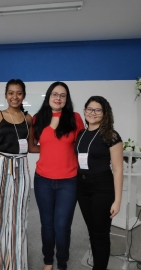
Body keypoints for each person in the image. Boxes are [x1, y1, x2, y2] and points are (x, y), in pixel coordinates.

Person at [0, 79, 38, 270]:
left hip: (21, 167)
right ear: (5, 95)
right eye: (11, 93)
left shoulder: (28, 118)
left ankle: (16, 264)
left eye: (19, 93)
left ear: (24, 95)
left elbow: (31, 147)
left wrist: (58, 146)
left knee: (19, 217)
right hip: (0, 165)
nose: (15, 97)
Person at [32, 81, 85, 270]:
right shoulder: (38, 118)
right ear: (48, 96)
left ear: (67, 99)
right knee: (47, 225)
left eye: (63, 95)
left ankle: (62, 263)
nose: (58, 98)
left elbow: (83, 146)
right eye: (55, 94)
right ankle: (48, 261)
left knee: (62, 227)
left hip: (68, 181)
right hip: (43, 180)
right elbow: (38, 143)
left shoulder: (75, 118)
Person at [75, 96, 123, 270]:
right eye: (89, 109)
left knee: (100, 233)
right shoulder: (81, 134)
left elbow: (118, 170)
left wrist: (117, 201)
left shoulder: (111, 135)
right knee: (92, 231)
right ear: (84, 110)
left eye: (97, 110)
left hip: (102, 188)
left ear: (104, 113)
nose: (92, 113)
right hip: (82, 188)